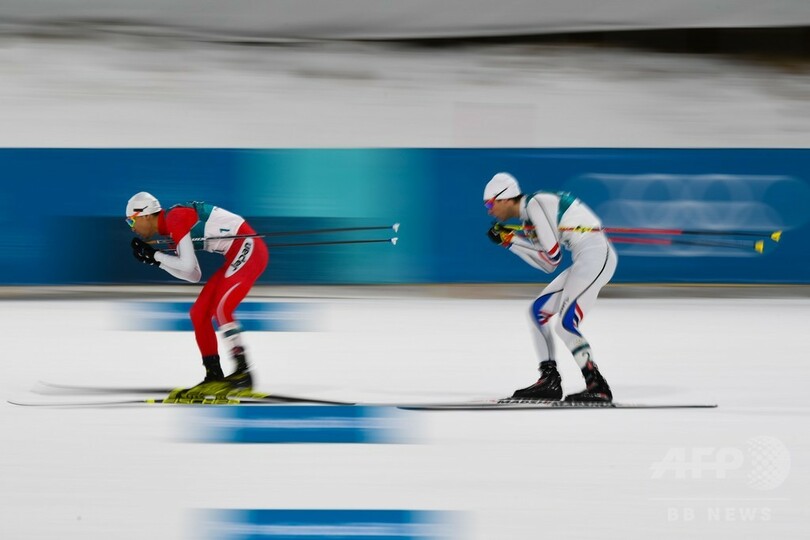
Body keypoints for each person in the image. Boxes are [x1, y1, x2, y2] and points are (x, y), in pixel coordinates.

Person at [484, 172, 618, 402]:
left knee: (565, 325)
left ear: (505, 198)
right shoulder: (528, 221)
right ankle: (549, 380)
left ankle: (598, 385)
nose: (489, 210)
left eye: (490, 203)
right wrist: (510, 243)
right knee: (537, 312)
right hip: (585, 259)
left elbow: (553, 256)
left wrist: (512, 240)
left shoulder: (536, 204)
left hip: (596, 256)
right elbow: (547, 265)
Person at [125, 191, 269, 396]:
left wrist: (156, 255)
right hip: (236, 254)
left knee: (222, 309)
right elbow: (192, 274)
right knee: (199, 313)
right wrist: (156, 261)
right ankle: (214, 375)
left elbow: (187, 265)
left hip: (250, 249)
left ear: (145, 215)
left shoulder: (175, 218)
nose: (132, 228)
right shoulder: (171, 229)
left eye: (132, 222)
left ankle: (243, 373)